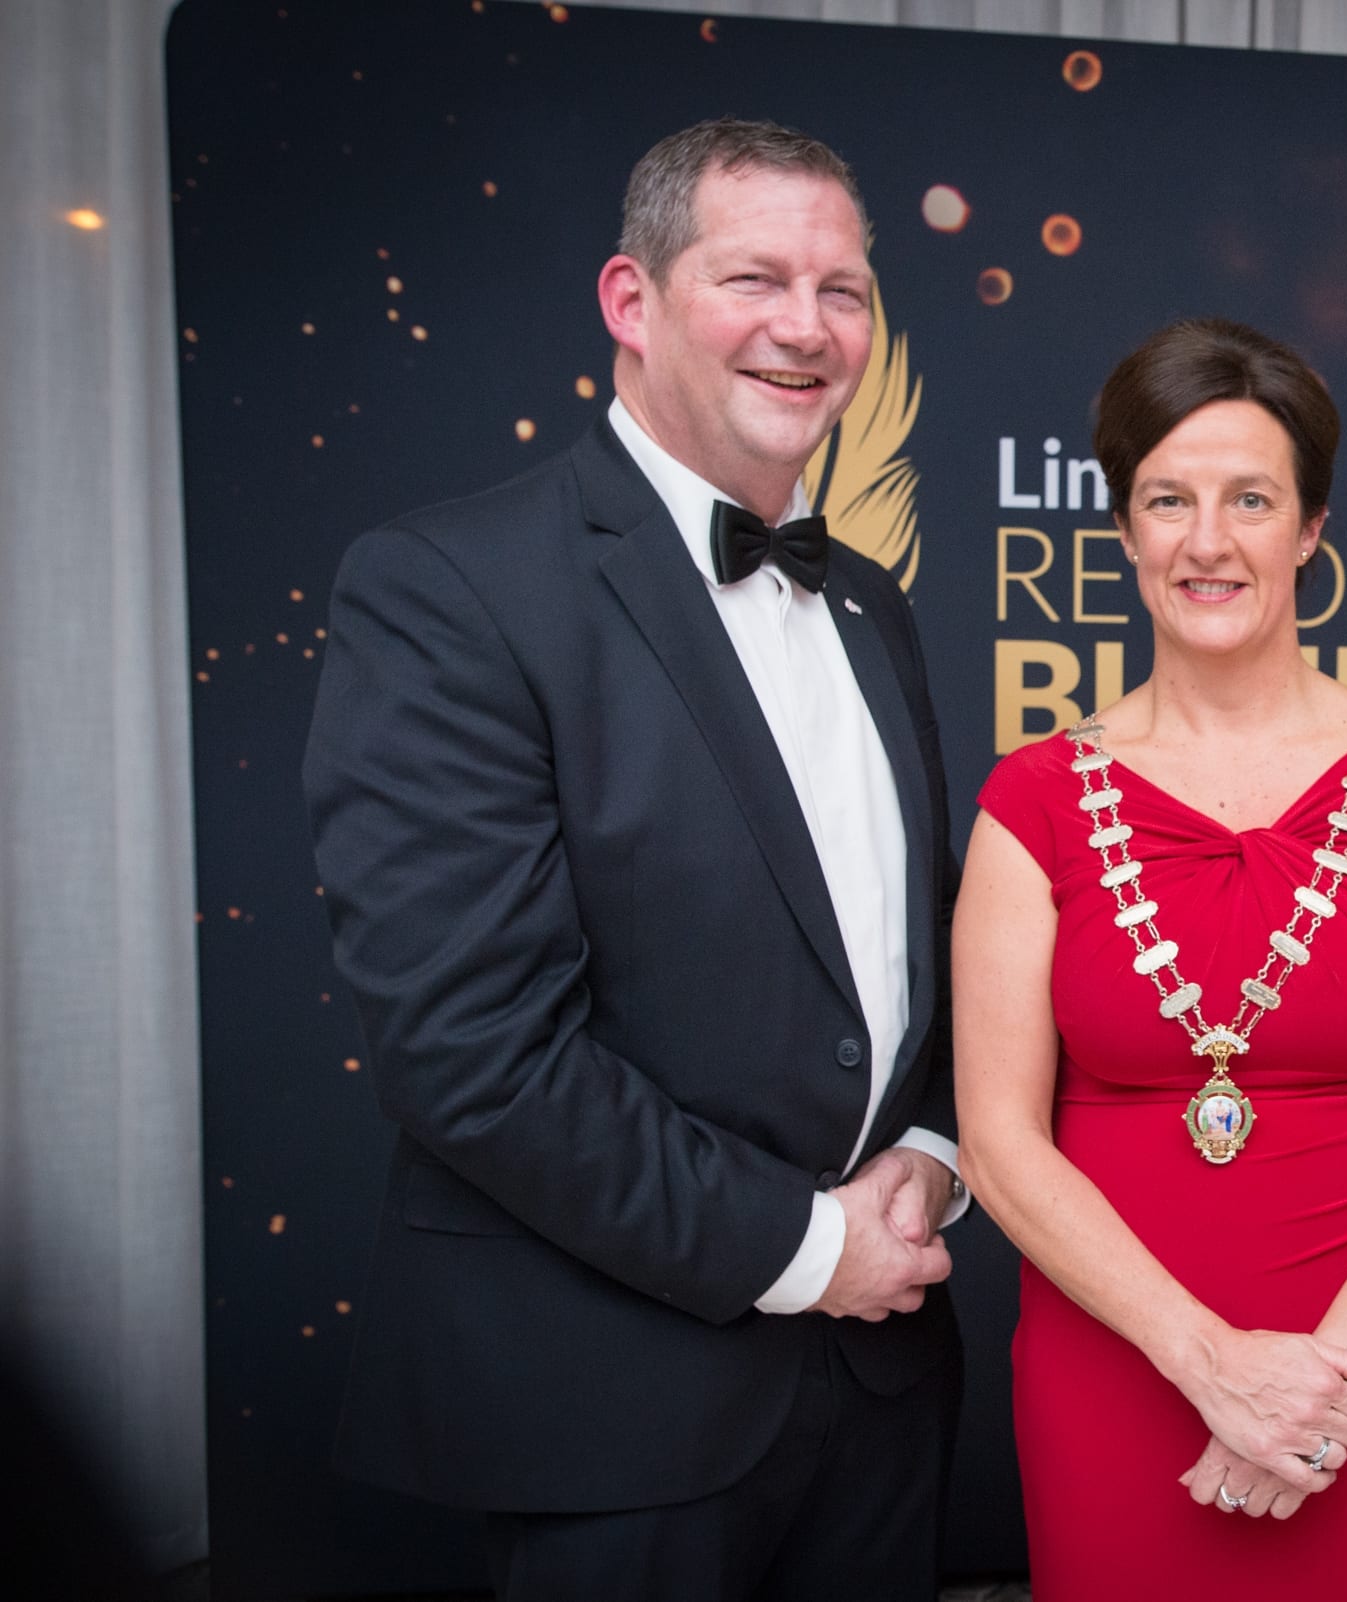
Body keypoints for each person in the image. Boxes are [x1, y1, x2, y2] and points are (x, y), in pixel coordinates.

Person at [304, 119, 964, 1602]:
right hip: (607, 1412)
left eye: (844, 289)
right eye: (755, 279)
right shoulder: (449, 589)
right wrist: (807, 1246)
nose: (807, 328)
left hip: (881, 1394)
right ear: (632, 301)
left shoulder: (872, 607)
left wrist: (928, 1155)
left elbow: (916, 952)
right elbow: (472, 1048)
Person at [952, 318, 1347, 1601]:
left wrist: (1320, 1384)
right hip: (1118, 1363)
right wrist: (1213, 1365)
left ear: (1313, 528)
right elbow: (997, 1142)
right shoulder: (1033, 802)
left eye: (1250, 500)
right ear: (1124, 528)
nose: (1207, 541)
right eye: (1169, 499)